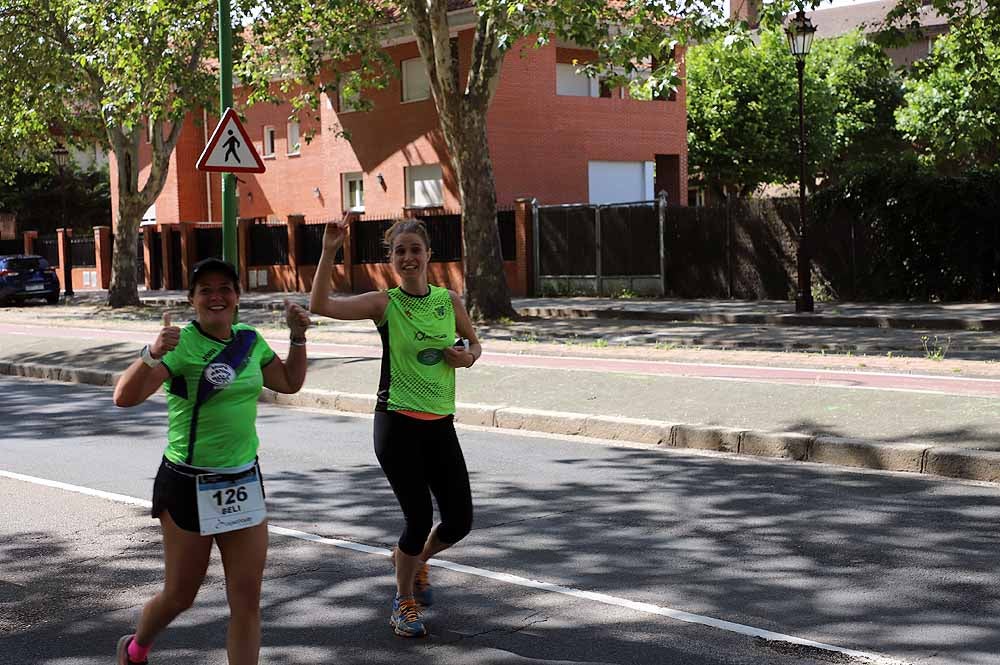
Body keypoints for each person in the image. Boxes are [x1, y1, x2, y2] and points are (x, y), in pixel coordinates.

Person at [112, 257, 311, 665]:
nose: (216, 297)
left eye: (225, 289)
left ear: (237, 297)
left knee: (247, 601)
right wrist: (151, 354)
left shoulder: (250, 341)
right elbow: (124, 397)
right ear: (192, 299)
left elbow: (289, 382)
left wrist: (298, 337)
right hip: (188, 482)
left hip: (241, 482)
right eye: (206, 290)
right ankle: (136, 646)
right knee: (180, 595)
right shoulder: (180, 344)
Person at [309, 216, 481, 638]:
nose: (408, 257)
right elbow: (321, 305)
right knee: (419, 517)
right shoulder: (385, 304)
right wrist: (330, 249)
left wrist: (469, 356)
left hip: (440, 424)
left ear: (427, 256)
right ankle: (403, 599)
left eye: (414, 250)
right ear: (391, 259)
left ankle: (412, 559)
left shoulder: (449, 301)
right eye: (399, 251)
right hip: (397, 424)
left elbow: (475, 343)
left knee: (459, 521)